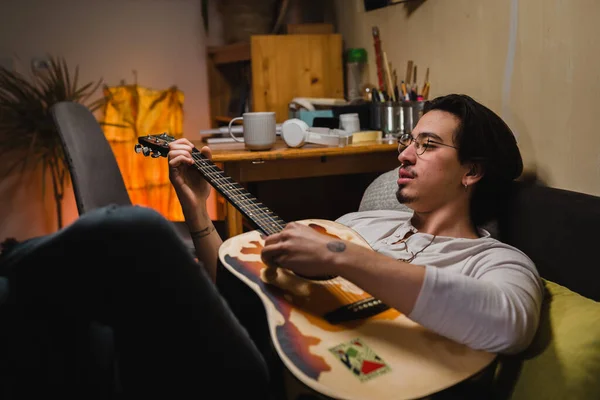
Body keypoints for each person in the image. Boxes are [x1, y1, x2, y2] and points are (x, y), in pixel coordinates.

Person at [167, 93, 543, 355]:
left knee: (135, 230)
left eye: (427, 144)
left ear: (471, 171)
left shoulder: (497, 260)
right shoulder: (357, 224)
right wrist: (197, 207)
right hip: (282, 355)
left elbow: (509, 326)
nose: (405, 154)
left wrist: (340, 256)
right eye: (409, 141)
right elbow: (236, 290)